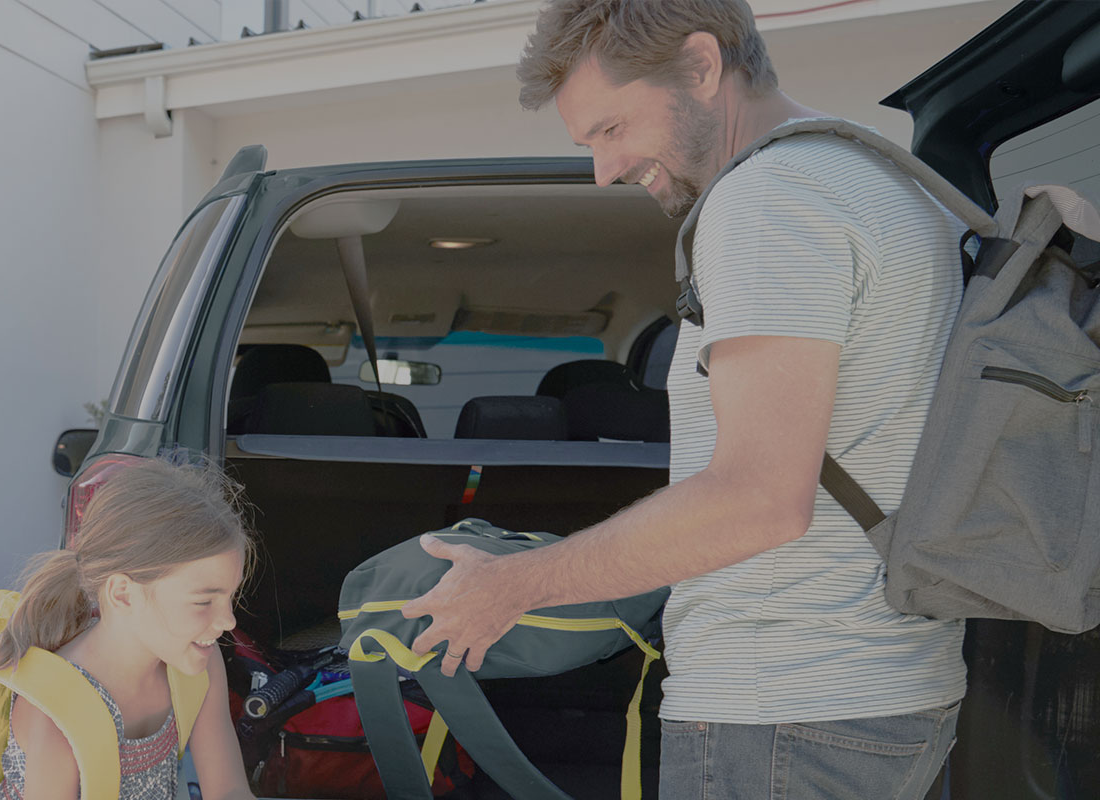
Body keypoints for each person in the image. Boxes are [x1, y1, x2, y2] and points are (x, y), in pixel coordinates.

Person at [400, 1, 967, 797]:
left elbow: (758, 500)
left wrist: (512, 586)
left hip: (783, 712)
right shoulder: (882, 182)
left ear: (702, 66)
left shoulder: (767, 203)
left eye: (611, 128)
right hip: (888, 694)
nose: (603, 169)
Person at [0, 457, 258, 800]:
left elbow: (228, 790)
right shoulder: (54, 713)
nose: (229, 621)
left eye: (231, 596)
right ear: (123, 594)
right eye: (203, 602)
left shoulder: (198, 665)